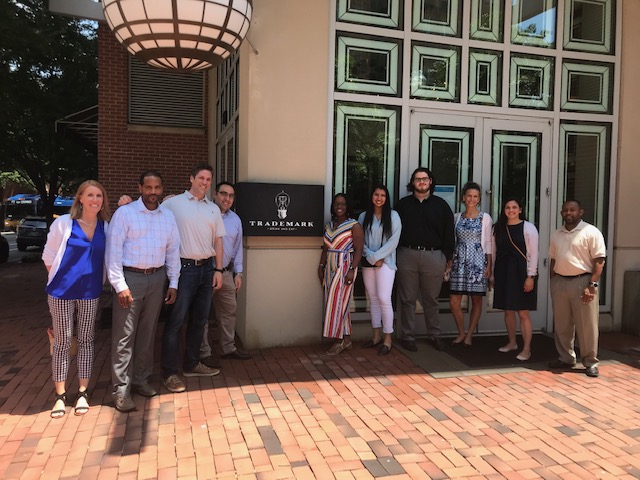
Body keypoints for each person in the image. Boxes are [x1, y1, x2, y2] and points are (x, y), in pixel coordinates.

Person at [106, 171, 181, 412]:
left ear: (162, 189)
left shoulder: (168, 217)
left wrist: (173, 282)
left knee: (147, 334)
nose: (153, 192)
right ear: (140, 188)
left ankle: (140, 379)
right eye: (148, 187)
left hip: (157, 279)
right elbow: (113, 252)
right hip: (131, 279)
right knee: (124, 336)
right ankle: (121, 390)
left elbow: (173, 251)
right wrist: (120, 286)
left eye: (157, 187)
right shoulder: (125, 214)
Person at [42, 180, 110, 418]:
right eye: (90, 195)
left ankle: (83, 391)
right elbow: (48, 256)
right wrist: (62, 280)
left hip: (90, 292)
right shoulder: (64, 223)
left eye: (99, 196)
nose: (95, 200)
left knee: (86, 341)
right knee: (62, 342)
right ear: (80, 198)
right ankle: (60, 396)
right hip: (61, 292)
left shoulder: (105, 227)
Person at [160, 164, 226, 393]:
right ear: (191, 179)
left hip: (207, 270)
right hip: (183, 270)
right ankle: (169, 372)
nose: (204, 182)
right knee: (175, 322)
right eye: (201, 178)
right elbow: (152, 216)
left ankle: (191, 363)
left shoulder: (213, 209)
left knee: (200, 321)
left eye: (208, 179)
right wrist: (127, 204)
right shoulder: (173, 204)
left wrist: (219, 270)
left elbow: (218, 241)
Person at [396, 167, 455, 352]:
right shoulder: (403, 205)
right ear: (413, 183)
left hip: (434, 257)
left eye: (424, 179)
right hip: (407, 255)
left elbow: (449, 233)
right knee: (407, 299)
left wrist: (447, 256)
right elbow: (394, 231)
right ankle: (407, 336)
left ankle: (434, 335)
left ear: (430, 181)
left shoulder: (441, 205)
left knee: (431, 299)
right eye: (418, 179)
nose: (421, 182)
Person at [548, 200, 606, 378]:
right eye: (565, 210)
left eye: (572, 210)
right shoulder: (556, 234)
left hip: (583, 282)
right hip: (560, 282)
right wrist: (553, 281)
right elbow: (553, 259)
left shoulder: (591, 232)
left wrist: (592, 285)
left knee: (586, 325)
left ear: (580, 212)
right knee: (562, 324)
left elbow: (599, 260)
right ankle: (566, 357)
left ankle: (590, 362)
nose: (568, 213)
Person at [200, 181, 250, 363]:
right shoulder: (204, 214)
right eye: (223, 194)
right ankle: (203, 352)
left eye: (231, 196)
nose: (227, 198)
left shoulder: (235, 220)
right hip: (206, 272)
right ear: (215, 194)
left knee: (229, 311)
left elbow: (237, 249)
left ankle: (228, 347)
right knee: (202, 313)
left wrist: (239, 273)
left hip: (227, 273)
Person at [491, 198, 539, 361]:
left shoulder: (528, 228)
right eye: (507, 207)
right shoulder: (497, 228)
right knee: (508, 310)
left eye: (514, 207)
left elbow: (534, 254)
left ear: (520, 210)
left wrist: (530, 276)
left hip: (521, 273)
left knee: (523, 312)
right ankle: (512, 342)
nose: (511, 210)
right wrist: (492, 274)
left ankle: (527, 348)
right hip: (503, 272)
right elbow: (494, 252)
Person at [357, 185, 401, 355]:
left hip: (386, 263)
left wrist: (377, 257)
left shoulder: (394, 216)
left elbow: (394, 241)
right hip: (369, 262)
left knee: (384, 298)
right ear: (372, 196)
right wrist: (371, 257)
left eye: (383, 195)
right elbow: (360, 239)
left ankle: (388, 338)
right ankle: (376, 336)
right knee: (373, 299)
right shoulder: (363, 216)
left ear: (386, 198)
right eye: (376, 194)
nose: (379, 198)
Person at [318, 193, 364, 356]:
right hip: (330, 267)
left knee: (336, 302)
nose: (339, 207)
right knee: (339, 303)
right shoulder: (329, 226)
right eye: (337, 204)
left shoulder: (354, 225)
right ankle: (347, 339)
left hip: (344, 266)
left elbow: (359, 249)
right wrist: (321, 265)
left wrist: (352, 269)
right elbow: (326, 248)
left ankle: (338, 341)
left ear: (348, 206)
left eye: (343, 204)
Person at [449, 182, 492, 347]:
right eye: (469, 196)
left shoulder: (485, 218)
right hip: (459, 261)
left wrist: (489, 265)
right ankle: (461, 332)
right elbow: (453, 240)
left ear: (479, 199)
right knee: (454, 301)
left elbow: (488, 243)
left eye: (475, 196)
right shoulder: (456, 217)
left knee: (476, 300)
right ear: (463, 197)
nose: (472, 199)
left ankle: (470, 334)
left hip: (478, 261)